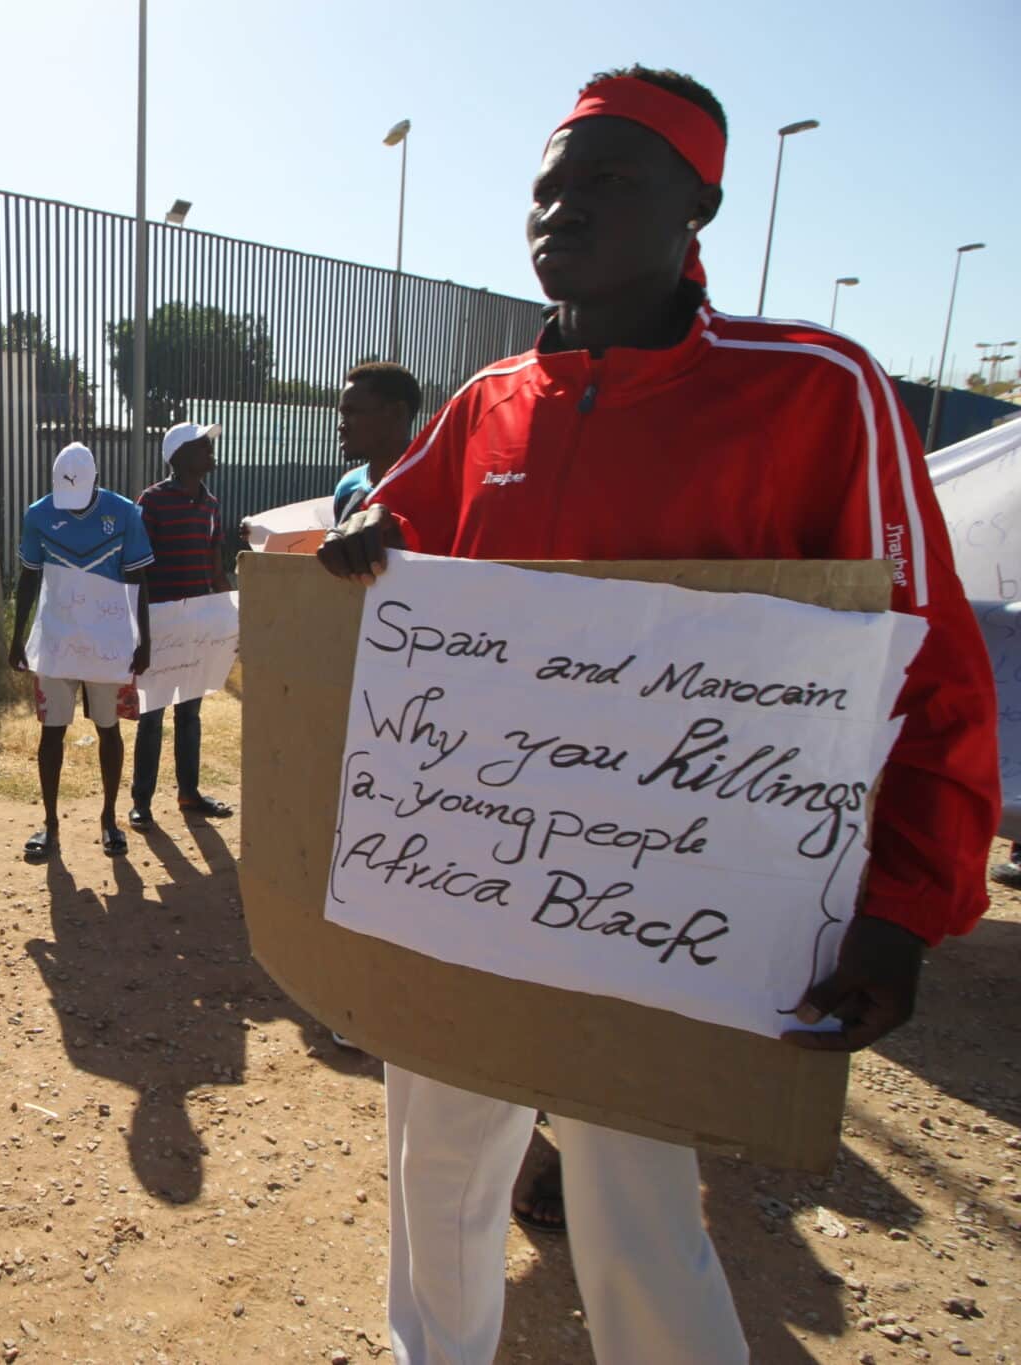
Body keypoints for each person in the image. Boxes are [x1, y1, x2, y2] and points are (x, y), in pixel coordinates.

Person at [319, 66, 999, 1364]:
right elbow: (373, 553)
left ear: (703, 203)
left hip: (660, 924)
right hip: (469, 891)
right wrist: (361, 538)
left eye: (607, 180)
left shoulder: (811, 390)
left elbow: (923, 658)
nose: (562, 207)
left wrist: (903, 907)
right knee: (439, 1173)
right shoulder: (486, 405)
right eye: (548, 186)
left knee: (636, 1208)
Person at [8, 442, 153, 861]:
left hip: (108, 640)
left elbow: (139, 580)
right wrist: (19, 637)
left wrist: (143, 640)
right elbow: (29, 577)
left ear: (96, 482)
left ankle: (109, 819)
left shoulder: (124, 513)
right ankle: (50, 824)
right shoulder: (38, 514)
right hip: (58, 636)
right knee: (52, 729)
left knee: (108, 728)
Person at [130, 422, 234, 828]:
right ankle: (142, 801)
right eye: (203, 445)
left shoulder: (210, 504)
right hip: (159, 625)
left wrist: (228, 619)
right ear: (179, 456)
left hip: (198, 627)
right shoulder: (152, 502)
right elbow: (136, 568)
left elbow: (215, 565)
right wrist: (140, 629)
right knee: (152, 715)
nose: (211, 450)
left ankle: (189, 793)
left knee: (190, 714)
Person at [329, 362, 424, 524]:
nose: (341, 427)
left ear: (397, 413)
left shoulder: (436, 493)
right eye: (342, 415)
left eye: (351, 412)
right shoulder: (347, 488)